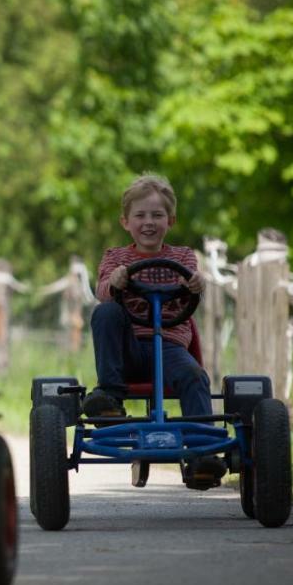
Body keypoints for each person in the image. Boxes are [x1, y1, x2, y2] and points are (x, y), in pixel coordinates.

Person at [80, 174, 223, 481]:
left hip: (170, 347)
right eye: (140, 215)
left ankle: (203, 455)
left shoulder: (183, 256)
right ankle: (109, 400)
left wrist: (196, 284)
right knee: (105, 312)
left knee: (196, 376)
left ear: (170, 221)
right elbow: (102, 290)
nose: (149, 222)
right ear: (125, 222)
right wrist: (115, 282)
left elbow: (193, 286)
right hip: (127, 350)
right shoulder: (115, 257)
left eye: (157, 215)